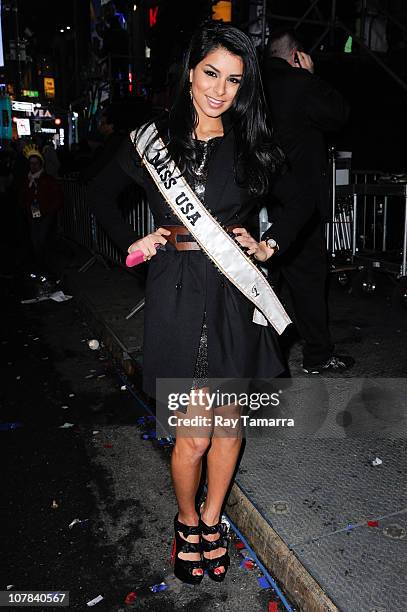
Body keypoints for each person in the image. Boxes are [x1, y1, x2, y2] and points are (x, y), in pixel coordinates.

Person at [88, 22, 290, 584]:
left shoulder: (251, 141)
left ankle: (212, 518)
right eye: (210, 74)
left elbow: (302, 198)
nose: (220, 90)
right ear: (190, 71)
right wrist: (131, 243)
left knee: (227, 430)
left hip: (232, 295)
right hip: (176, 290)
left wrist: (268, 243)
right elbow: (101, 192)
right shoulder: (152, 140)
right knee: (193, 435)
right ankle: (185, 522)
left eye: (233, 80)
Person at [262, 29, 355, 374]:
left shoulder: (253, 86)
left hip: (261, 198)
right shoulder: (298, 82)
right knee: (309, 278)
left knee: (265, 280)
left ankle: (260, 360)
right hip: (298, 200)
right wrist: (309, 76)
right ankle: (317, 354)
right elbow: (339, 113)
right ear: (297, 55)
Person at [19, 145, 63, 274]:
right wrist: (25, 208)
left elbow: (57, 197)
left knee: (42, 240)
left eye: (36, 163)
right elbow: (22, 196)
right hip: (32, 214)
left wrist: (50, 211)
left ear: (41, 164)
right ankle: (39, 265)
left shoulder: (48, 180)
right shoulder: (27, 180)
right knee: (35, 240)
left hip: (46, 214)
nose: (33, 166)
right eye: (31, 164)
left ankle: (45, 266)